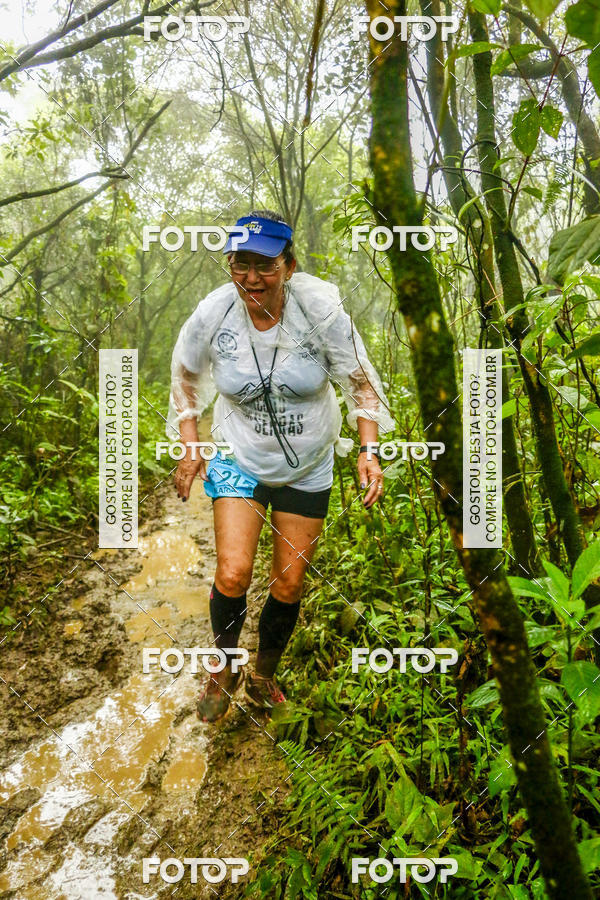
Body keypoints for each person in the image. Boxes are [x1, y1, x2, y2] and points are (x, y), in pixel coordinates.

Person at [167, 209, 394, 721]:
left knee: (289, 582)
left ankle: (263, 675)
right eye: (240, 263)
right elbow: (185, 377)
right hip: (237, 455)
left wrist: (368, 450)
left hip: (307, 461)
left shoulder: (320, 313)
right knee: (233, 571)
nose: (251, 277)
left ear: (288, 266)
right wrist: (190, 443)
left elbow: (361, 382)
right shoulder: (213, 313)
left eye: (264, 265)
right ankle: (224, 665)